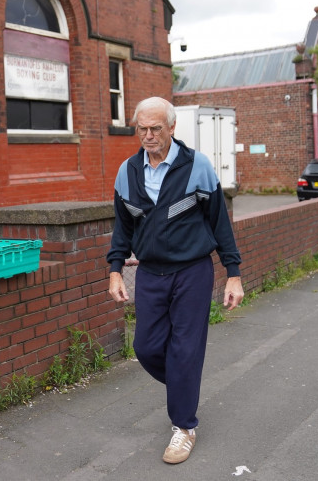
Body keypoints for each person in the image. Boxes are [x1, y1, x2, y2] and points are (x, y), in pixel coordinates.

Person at [107, 96, 244, 465]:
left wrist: (233, 275)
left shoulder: (197, 166)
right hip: (150, 273)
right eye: (141, 129)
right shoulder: (128, 172)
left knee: (185, 349)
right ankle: (185, 384)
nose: (148, 135)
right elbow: (123, 226)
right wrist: (115, 269)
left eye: (155, 128)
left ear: (171, 128)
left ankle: (183, 427)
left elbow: (220, 223)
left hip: (192, 272)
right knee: (146, 347)